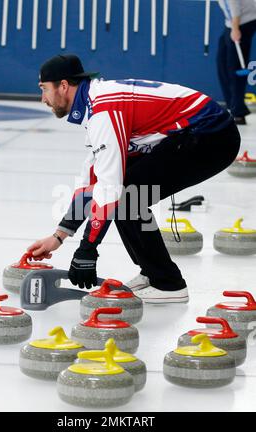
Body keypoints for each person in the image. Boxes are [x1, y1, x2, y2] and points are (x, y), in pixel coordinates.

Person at [27, 54, 240, 304]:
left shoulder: (103, 111)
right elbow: (92, 181)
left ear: (63, 86)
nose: (43, 99)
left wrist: (87, 250)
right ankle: (153, 273)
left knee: (128, 197)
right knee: (126, 194)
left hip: (212, 136)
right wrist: (59, 236)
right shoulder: (94, 104)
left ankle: (168, 284)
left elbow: (109, 189)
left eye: (44, 89)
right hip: (192, 133)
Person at [217, 0, 256, 125]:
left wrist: (235, 29)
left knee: (235, 69)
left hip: (242, 22)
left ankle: (238, 113)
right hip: (233, 22)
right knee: (222, 63)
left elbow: (234, 7)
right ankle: (232, 107)